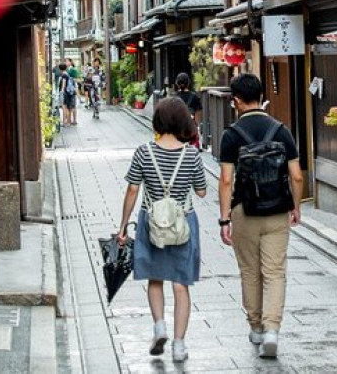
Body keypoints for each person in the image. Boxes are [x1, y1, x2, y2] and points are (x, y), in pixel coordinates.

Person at [218, 73, 304, 359]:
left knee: (250, 271)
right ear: (260, 96)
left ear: (236, 101)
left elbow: (226, 181)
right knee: (275, 271)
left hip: (244, 211)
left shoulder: (231, 135)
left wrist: (224, 218)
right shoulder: (281, 131)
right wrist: (296, 205)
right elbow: (296, 175)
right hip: (277, 210)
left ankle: (255, 327)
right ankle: (272, 331)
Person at [117, 97, 207, 363]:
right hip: (182, 224)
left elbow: (133, 189)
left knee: (154, 279)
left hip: (151, 222)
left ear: (158, 121)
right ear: (182, 121)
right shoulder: (191, 154)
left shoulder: (144, 151)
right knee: (181, 285)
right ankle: (179, 346)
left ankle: (159, 327)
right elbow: (201, 192)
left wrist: (123, 226)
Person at [174, 73, 202, 148]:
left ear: (177, 83)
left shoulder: (174, 97)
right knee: (192, 150)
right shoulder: (194, 97)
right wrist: (197, 127)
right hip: (191, 128)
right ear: (188, 83)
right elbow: (198, 114)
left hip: (177, 129)